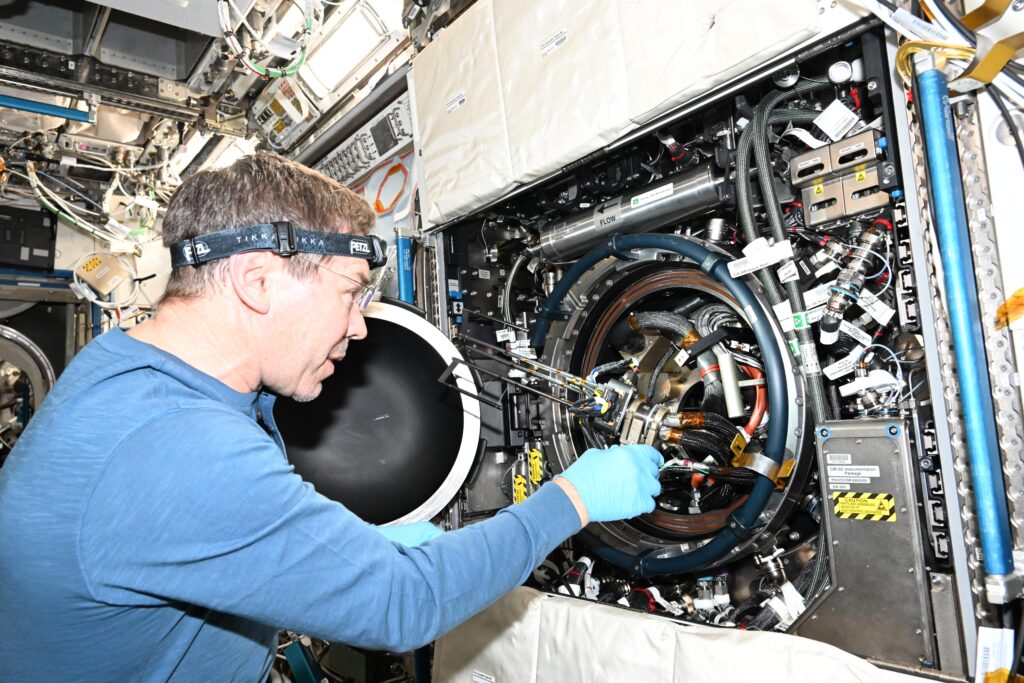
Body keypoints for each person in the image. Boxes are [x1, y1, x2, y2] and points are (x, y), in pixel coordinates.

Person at [0, 152, 663, 681]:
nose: (358, 328)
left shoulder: (127, 375)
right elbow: (406, 604)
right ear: (257, 281)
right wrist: (572, 498)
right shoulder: (180, 449)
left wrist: (355, 549)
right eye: (349, 295)